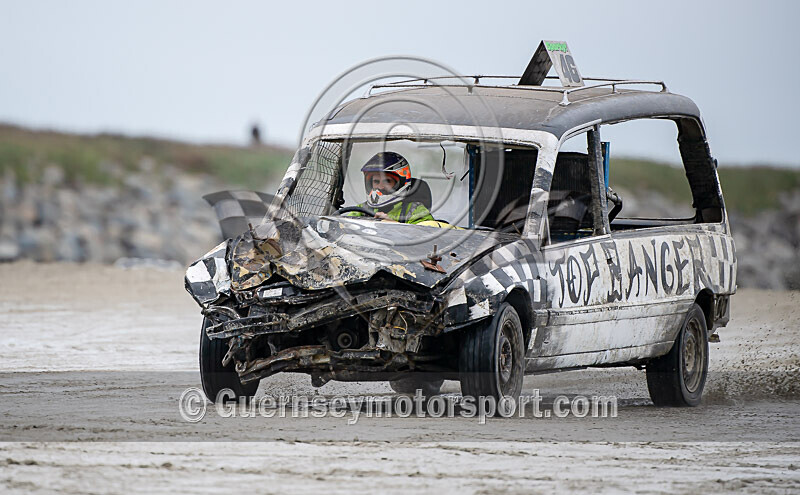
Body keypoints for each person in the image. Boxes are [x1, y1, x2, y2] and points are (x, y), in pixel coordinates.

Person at [347, 152, 434, 224]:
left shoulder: (415, 211)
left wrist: (392, 225)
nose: (380, 187)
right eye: (376, 182)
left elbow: (428, 236)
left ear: (401, 184)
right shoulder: (362, 210)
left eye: (387, 181)